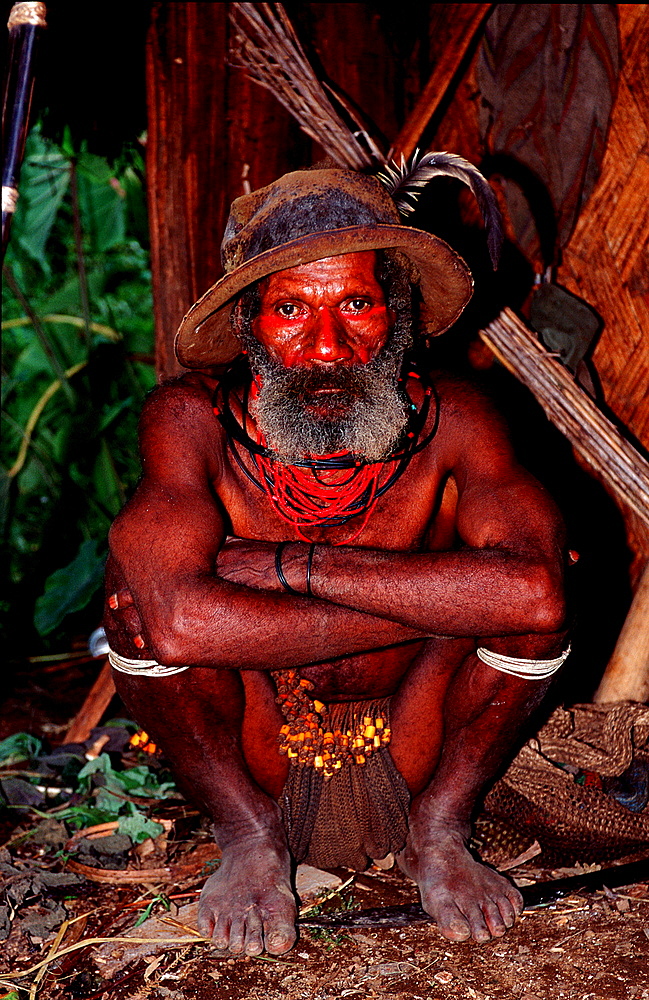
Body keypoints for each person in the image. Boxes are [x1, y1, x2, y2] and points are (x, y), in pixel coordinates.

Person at [103, 166, 568, 958]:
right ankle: (248, 841)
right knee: (137, 615)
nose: (326, 347)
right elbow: (181, 625)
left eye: (356, 304)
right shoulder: (188, 421)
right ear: (248, 321)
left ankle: (439, 833)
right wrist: (442, 596)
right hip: (261, 760)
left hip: (420, 743)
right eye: (291, 309)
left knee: (538, 610)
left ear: (400, 312)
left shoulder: (454, 418)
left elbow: (532, 597)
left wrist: (290, 566)